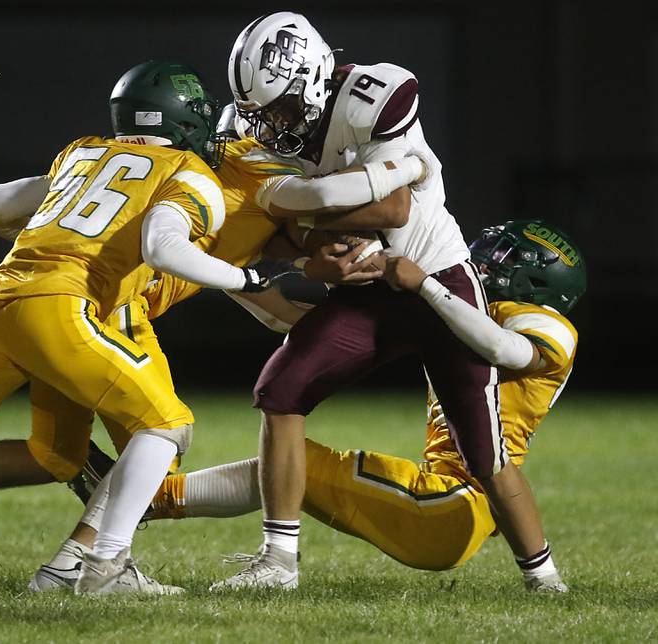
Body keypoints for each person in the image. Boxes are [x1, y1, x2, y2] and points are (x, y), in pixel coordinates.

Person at [0, 103, 385, 583]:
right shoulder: (236, 176)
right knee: (161, 431)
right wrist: (403, 167)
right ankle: (90, 567)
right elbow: (312, 202)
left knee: (54, 454)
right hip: (99, 306)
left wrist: (327, 309)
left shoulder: (94, 154)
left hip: (6, 296)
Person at [34, 219, 585, 594]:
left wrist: (427, 288)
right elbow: (302, 321)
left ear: (539, 276)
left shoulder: (543, 323)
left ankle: (149, 508)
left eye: (505, 255)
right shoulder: (467, 309)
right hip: (451, 502)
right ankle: (149, 502)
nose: (484, 258)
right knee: (290, 467)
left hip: (446, 506)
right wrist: (234, 276)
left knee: (300, 463)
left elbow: (505, 348)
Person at [215, 11, 564, 590]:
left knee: (484, 453)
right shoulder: (266, 133)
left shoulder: (371, 97)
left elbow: (392, 209)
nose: (273, 125)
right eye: (262, 113)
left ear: (315, 74)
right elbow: (267, 233)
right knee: (280, 390)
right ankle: (278, 562)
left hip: (436, 280)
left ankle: (544, 576)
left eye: (281, 108)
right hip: (366, 293)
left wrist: (292, 212)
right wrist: (306, 245)